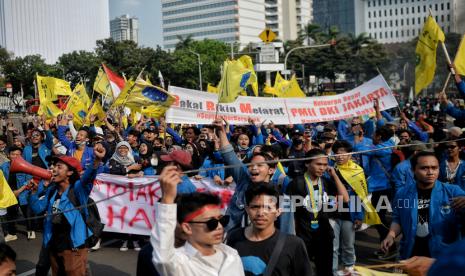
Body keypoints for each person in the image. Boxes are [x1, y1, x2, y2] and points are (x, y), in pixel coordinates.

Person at [150, 165, 244, 275]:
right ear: (187, 227)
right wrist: (167, 198)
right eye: (211, 223)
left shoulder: (232, 255)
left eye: (222, 220)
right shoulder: (179, 263)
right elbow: (163, 259)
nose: (219, 227)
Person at [28, 144, 106, 276]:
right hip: (53, 243)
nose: (53, 169)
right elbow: (37, 209)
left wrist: (96, 161)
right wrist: (34, 193)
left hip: (72, 246)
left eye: (59, 167)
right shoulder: (52, 190)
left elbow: (87, 179)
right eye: (53, 166)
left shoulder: (77, 190)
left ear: (70, 172)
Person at [381, 151, 465, 260]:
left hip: (443, 258)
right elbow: (398, 219)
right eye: (424, 168)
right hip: (410, 255)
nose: (430, 172)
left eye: (434, 168)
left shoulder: (453, 192)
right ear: (413, 170)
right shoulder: (402, 193)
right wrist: (391, 235)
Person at [285, 148, 349, 276]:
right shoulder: (296, 183)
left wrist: (335, 176)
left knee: (325, 271)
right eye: (318, 164)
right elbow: (288, 212)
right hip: (303, 236)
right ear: (307, 163)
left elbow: (345, 199)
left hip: (324, 235)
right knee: (301, 271)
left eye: (325, 165)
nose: (322, 168)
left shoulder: (326, 182)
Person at [227, 184, 313, 276]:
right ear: (247, 209)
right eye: (255, 207)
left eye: (268, 208)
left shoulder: (294, 244)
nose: (260, 213)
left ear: (278, 212)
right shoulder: (234, 237)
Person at [1, 146, 35, 241]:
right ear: (8, 155)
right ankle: (12, 233)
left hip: (23, 193)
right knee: (10, 214)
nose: (16, 156)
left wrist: (19, 191)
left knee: (26, 212)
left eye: (18, 155)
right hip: (9, 193)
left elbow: (29, 180)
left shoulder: (26, 165)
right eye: (13, 154)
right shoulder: (4, 166)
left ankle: (30, 230)